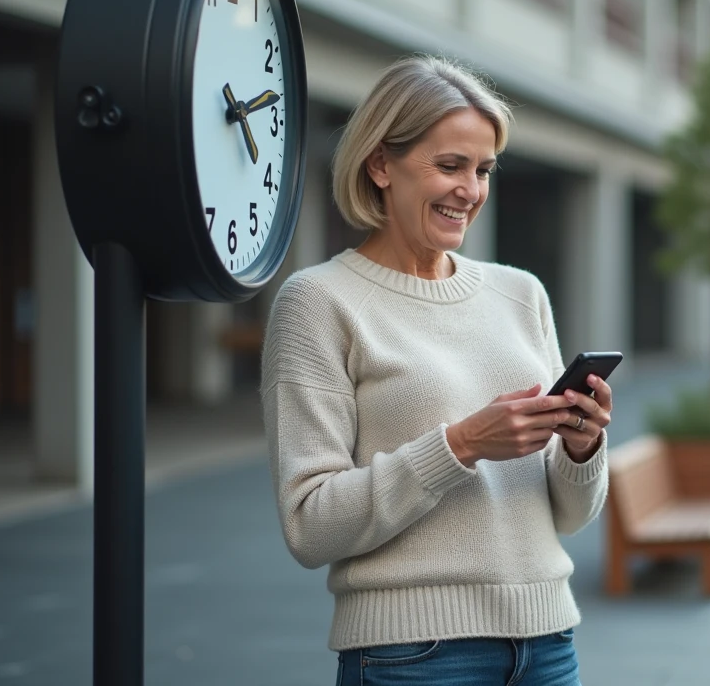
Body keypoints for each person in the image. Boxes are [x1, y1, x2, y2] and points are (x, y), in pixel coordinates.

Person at [261, 56, 609, 686]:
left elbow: (566, 515)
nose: (470, 191)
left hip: (547, 645)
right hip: (411, 657)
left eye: (482, 170)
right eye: (449, 166)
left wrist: (581, 448)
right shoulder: (319, 302)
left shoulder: (520, 294)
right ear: (380, 164)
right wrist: (463, 444)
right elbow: (309, 525)